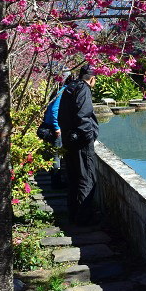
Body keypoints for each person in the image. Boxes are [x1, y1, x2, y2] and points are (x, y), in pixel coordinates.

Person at [57, 64, 99, 226]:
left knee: (74, 177)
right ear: (92, 78)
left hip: (69, 139)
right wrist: (89, 136)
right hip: (81, 142)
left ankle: (74, 215)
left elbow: (62, 114)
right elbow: (84, 116)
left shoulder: (70, 88)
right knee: (87, 179)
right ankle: (83, 219)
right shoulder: (84, 90)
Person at [41, 73, 73, 187]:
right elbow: (54, 110)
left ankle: (56, 180)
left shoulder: (57, 90)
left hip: (49, 125)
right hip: (54, 128)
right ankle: (56, 182)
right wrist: (57, 127)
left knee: (55, 154)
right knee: (56, 154)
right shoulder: (63, 91)